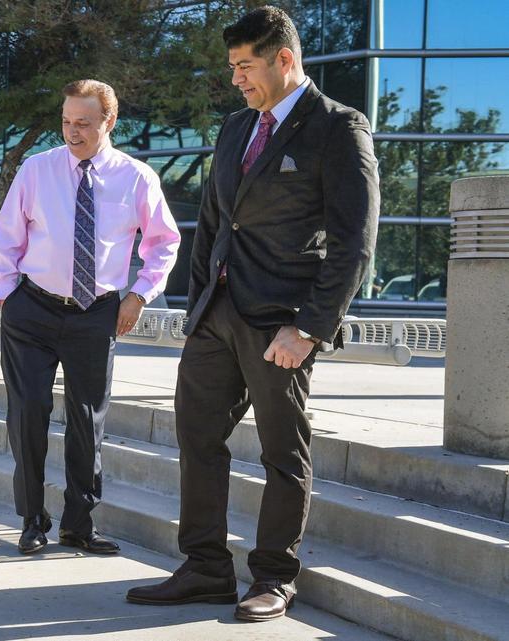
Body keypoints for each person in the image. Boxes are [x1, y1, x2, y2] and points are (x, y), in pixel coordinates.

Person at [124, 7, 379, 621]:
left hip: (282, 324)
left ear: (283, 59)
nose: (236, 78)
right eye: (233, 66)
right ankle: (205, 568)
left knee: (281, 453)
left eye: (246, 65)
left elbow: (355, 241)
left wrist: (311, 327)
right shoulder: (237, 128)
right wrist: (197, 306)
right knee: (197, 438)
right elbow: (214, 221)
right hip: (218, 315)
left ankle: (273, 576)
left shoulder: (339, 128)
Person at [0, 79, 181, 556]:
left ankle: (79, 524)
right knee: (28, 415)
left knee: (87, 420)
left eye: (83, 123)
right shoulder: (37, 170)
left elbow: (163, 243)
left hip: (97, 313)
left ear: (108, 122)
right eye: (66, 122)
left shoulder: (136, 177)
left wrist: (139, 295)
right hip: (31, 310)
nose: (72, 133)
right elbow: (7, 235)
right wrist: (5, 296)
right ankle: (32, 519)